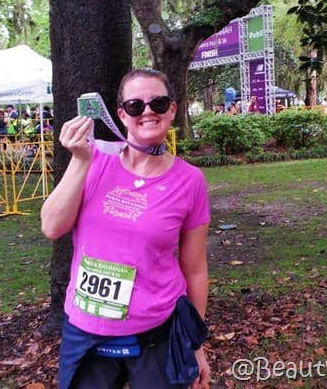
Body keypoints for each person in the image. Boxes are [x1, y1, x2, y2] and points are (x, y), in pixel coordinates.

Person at [40, 68, 211, 389]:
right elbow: (51, 227)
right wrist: (79, 159)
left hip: (157, 333)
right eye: (135, 105)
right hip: (85, 331)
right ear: (121, 114)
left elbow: (196, 269)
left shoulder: (190, 181)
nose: (147, 111)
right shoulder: (92, 161)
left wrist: (195, 343)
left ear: (172, 109)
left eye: (158, 103)